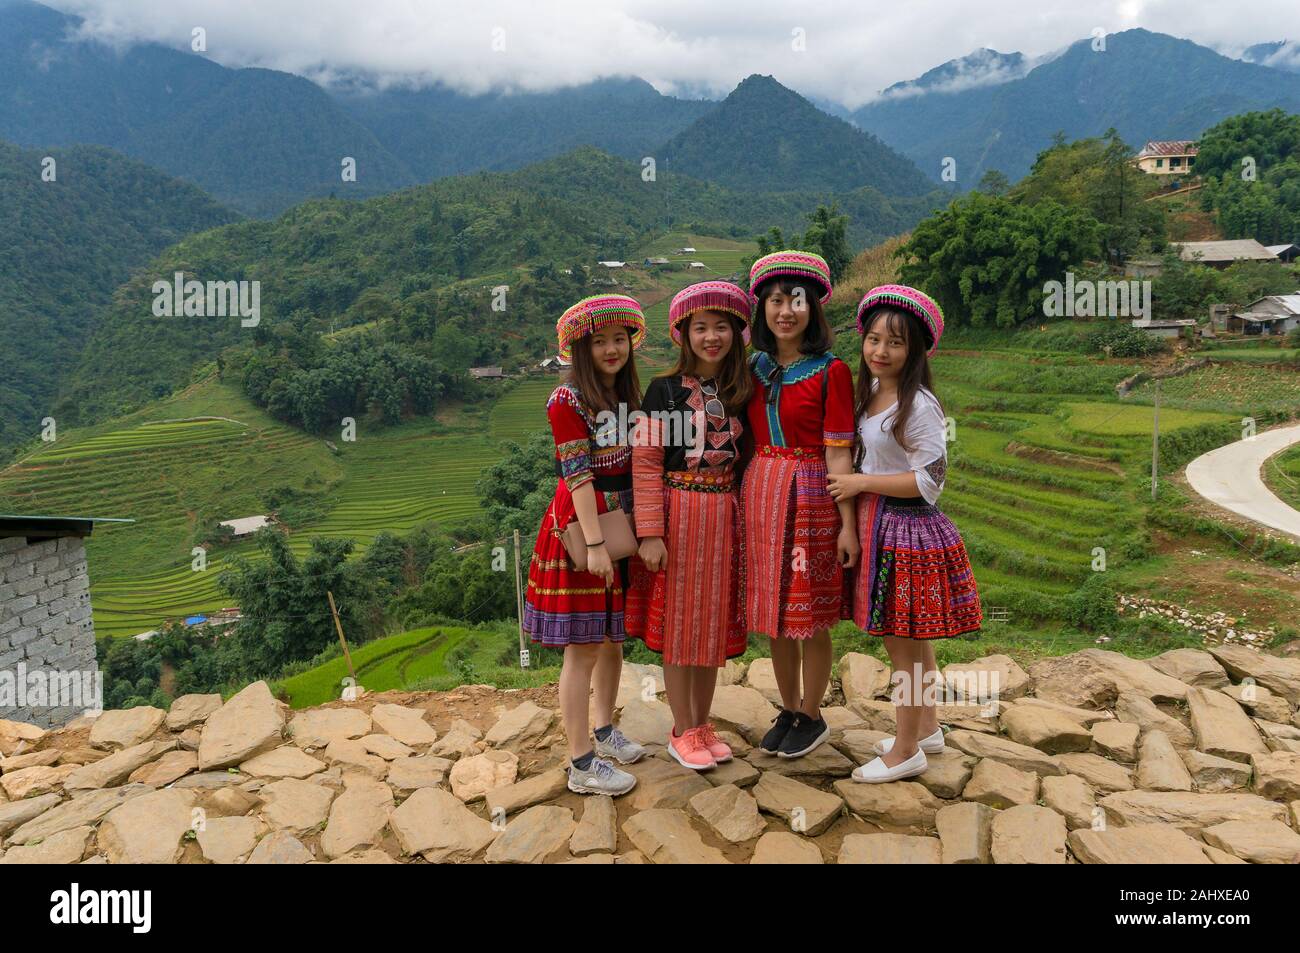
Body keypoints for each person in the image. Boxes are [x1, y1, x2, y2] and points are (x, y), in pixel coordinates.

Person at [826, 284, 983, 783]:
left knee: (904, 650)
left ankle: (907, 749)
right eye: (873, 340)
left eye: (894, 342)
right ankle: (928, 729)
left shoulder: (920, 406)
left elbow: (931, 479)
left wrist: (861, 482)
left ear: (915, 348)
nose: (880, 351)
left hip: (906, 527)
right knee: (916, 642)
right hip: (882, 523)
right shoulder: (873, 392)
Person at [522, 293, 650, 795]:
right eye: (600, 341)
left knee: (613, 639)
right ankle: (580, 761)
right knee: (584, 647)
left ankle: (605, 730)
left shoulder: (626, 396)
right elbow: (577, 477)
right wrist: (596, 544)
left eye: (619, 339)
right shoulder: (567, 400)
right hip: (582, 527)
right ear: (582, 348)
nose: (612, 349)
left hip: (617, 523)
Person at [626, 280, 752, 769]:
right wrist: (650, 532)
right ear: (684, 333)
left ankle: (702, 725)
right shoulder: (663, 391)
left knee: (711, 627)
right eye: (700, 327)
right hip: (678, 514)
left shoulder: (741, 390)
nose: (711, 336)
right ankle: (682, 729)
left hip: (724, 517)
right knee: (681, 627)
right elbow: (645, 462)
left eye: (721, 326)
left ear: (736, 333)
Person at [741, 251, 858, 759]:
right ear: (762, 310)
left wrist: (846, 525)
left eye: (796, 300)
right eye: (774, 301)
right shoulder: (754, 368)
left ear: (812, 308)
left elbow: (839, 451)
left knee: (809, 613)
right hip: (761, 491)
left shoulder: (832, 372)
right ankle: (788, 707)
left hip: (811, 494)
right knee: (775, 610)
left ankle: (812, 713)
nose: (785, 310)